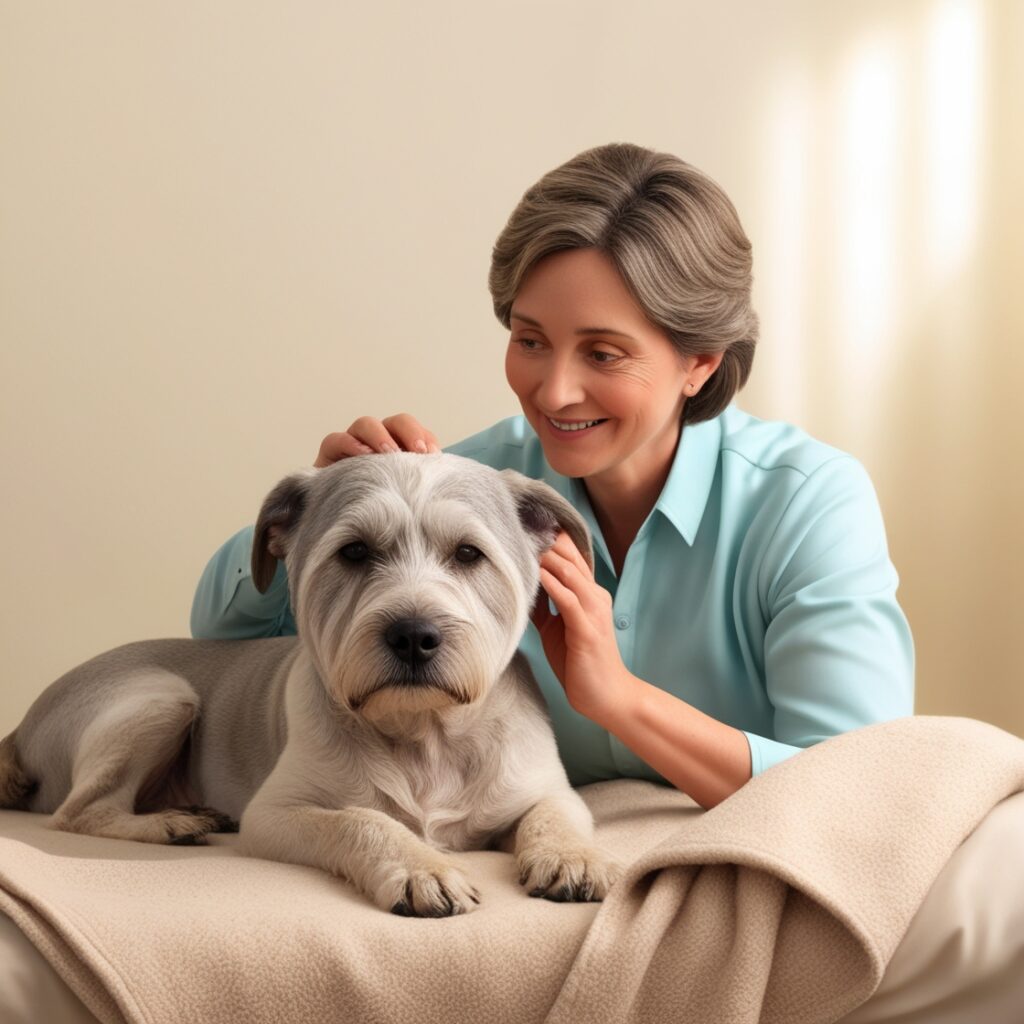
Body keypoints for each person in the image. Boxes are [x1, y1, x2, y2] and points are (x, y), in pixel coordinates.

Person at [191, 141, 914, 810]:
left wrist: (621, 701)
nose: (554, 391)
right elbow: (218, 635)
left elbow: (860, 788)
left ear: (702, 361)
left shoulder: (806, 504)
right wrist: (323, 501)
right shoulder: (471, 487)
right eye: (530, 340)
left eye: (603, 353)